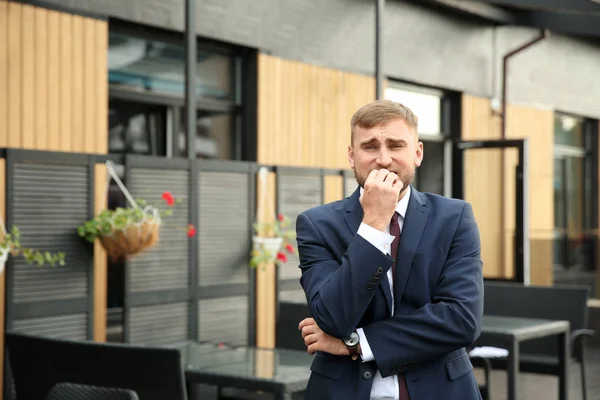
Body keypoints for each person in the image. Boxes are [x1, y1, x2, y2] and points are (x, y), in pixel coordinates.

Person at [295, 99, 484, 400]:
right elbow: (332, 318)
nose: (383, 159)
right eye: (370, 147)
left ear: (417, 153)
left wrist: (357, 342)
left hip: (441, 389)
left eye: (396, 145)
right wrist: (373, 225)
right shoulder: (317, 224)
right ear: (351, 155)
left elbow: (462, 320)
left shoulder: (454, 217)